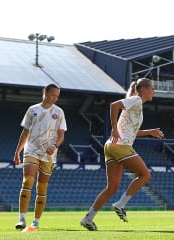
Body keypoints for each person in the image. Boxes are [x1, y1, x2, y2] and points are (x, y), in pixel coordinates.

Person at [81, 78, 164, 230]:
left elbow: (132, 132)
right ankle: (121, 204)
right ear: (144, 89)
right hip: (120, 146)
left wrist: (150, 132)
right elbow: (114, 105)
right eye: (152, 88)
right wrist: (113, 128)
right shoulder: (136, 100)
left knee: (112, 187)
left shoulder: (135, 104)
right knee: (145, 175)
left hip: (111, 146)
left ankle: (88, 218)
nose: (154, 91)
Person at [13, 83, 67, 230]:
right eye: (52, 95)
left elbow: (61, 135)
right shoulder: (33, 110)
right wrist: (18, 151)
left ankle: (35, 221)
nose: (55, 98)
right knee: (27, 180)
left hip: (48, 153)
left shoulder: (59, 112)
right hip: (31, 150)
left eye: (57, 96)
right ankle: (21, 219)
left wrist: (55, 146)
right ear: (45, 92)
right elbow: (25, 133)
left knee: (41, 187)